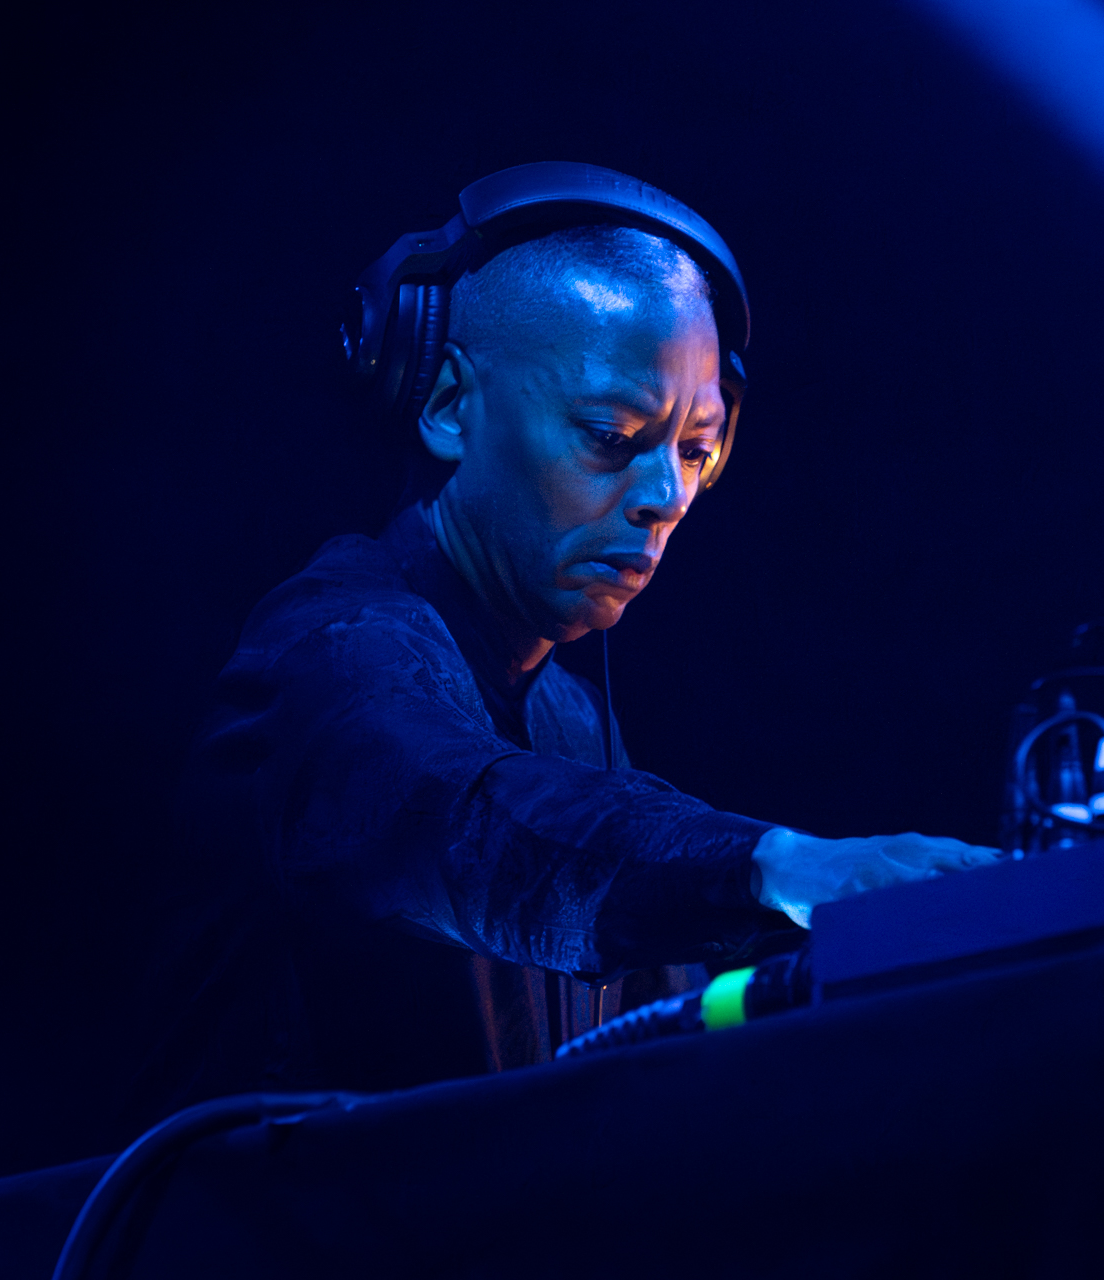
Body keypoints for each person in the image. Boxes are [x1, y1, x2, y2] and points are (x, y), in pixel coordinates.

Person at [129, 174, 998, 1120]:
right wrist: (778, 863)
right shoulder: (328, 660)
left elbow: (664, 1029)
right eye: (612, 436)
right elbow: (475, 825)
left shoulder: (570, 718)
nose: (667, 496)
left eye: (696, 451)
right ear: (447, 403)